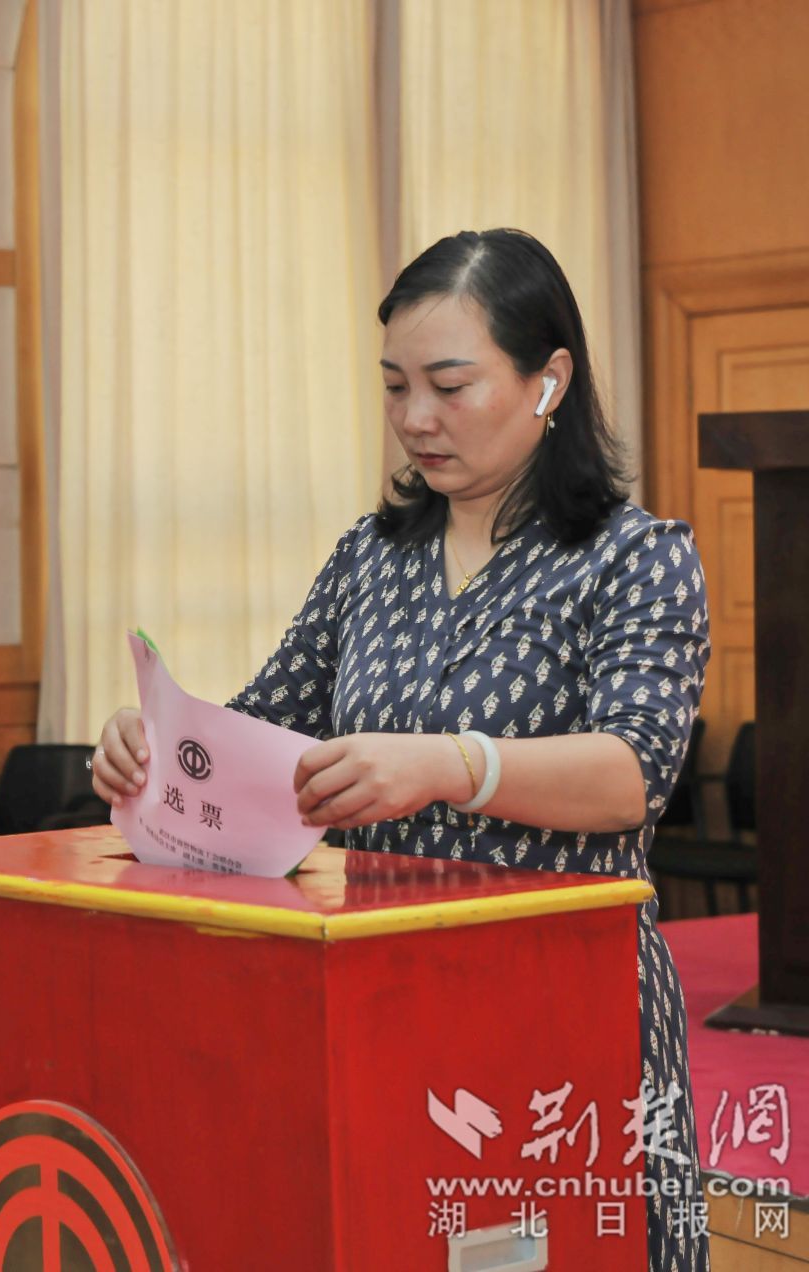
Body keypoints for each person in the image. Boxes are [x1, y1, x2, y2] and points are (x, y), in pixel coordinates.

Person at [91, 230, 710, 1271]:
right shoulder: (371, 559)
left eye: (449, 385)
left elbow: (632, 775)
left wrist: (452, 765)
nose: (416, 417)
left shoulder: (635, 559)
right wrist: (154, 746)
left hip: (563, 1000)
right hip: (383, 997)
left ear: (550, 380)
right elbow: (258, 732)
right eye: (394, 386)